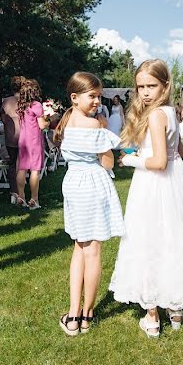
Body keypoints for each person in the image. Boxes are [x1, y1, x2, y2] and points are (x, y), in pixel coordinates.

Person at [110, 59, 183, 337]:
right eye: (140, 86)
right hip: (174, 186)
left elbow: (158, 162)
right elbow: (177, 150)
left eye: (151, 86)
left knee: (149, 240)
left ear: (165, 85)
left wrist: (130, 161)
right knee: (173, 238)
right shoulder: (171, 112)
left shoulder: (156, 115)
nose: (145, 92)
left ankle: (152, 314)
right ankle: (175, 309)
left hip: (154, 185)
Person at [53, 72, 125, 336]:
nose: (97, 101)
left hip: (73, 183)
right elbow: (106, 162)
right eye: (92, 96)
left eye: (98, 96)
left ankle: (72, 314)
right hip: (92, 184)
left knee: (79, 247)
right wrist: (105, 132)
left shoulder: (66, 122)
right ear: (75, 97)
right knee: (93, 250)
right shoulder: (95, 126)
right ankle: (87, 314)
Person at [16, 78, 48, 210]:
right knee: (35, 170)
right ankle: (34, 198)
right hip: (34, 140)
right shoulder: (37, 105)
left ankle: (21, 196)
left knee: (22, 168)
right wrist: (48, 121)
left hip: (23, 139)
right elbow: (42, 125)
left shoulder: (21, 105)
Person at [1, 76, 23, 203]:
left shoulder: (6, 101)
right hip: (24, 136)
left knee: (12, 164)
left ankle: (13, 191)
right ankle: (21, 192)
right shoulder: (25, 101)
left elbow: (3, 119)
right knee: (21, 165)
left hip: (10, 136)